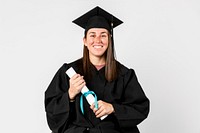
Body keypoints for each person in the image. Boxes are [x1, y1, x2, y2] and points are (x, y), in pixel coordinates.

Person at [45, 6, 150, 133]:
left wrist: (113, 108)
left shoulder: (124, 74)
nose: (98, 40)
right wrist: (70, 94)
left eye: (103, 35)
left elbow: (141, 108)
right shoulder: (69, 72)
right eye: (92, 35)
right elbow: (51, 110)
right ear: (85, 41)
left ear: (109, 40)